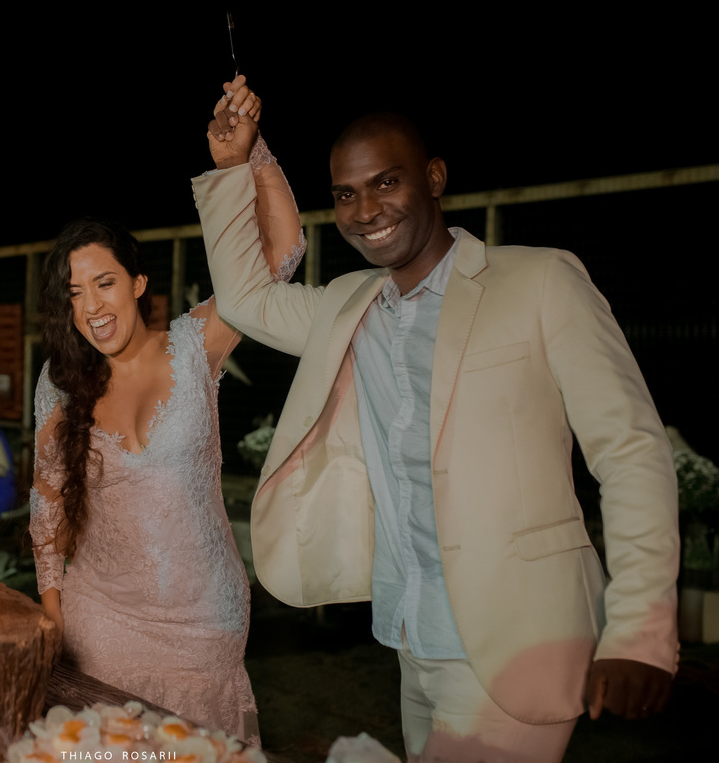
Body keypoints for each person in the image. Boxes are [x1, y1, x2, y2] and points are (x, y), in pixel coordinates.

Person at [193, 76, 679, 761]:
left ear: (435, 177)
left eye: (386, 183)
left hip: (519, 643)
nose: (365, 210)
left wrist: (640, 633)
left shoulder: (541, 282)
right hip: (409, 636)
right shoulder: (348, 306)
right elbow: (244, 299)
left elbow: (630, 453)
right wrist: (232, 166)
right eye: (345, 195)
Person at [29, 144, 303, 742]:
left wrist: (248, 155)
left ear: (138, 283)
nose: (92, 306)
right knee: (113, 757)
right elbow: (47, 508)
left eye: (104, 283)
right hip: (101, 624)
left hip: (207, 626)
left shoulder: (194, 345)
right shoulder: (59, 383)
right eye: (75, 294)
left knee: (195, 755)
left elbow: (282, 253)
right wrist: (54, 618)